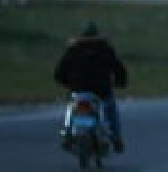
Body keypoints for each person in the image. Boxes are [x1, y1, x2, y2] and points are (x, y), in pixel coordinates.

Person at [54, 21, 128, 152]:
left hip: (78, 90)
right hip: (102, 92)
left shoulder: (72, 51)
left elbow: (59, 73)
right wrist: (120, 82)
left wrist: (68, 83)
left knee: (71, 108)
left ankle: (67, 133)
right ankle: (116, 138)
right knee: (111, 111)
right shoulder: (105, 50)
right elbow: (119, 70)